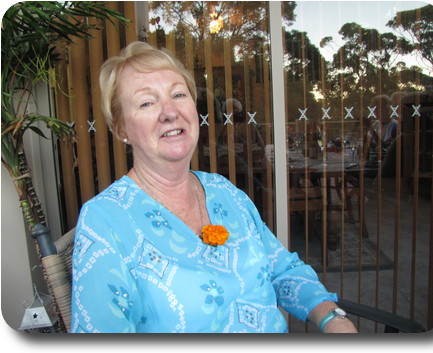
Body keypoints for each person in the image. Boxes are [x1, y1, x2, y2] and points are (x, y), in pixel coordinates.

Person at [71, 41, 357, 333]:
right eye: (147, 102)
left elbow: (281, 268)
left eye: (178, 95)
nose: (169, 112)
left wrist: (332, 317)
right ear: (121, 128)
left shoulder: (224, 191)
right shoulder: (105, 221)